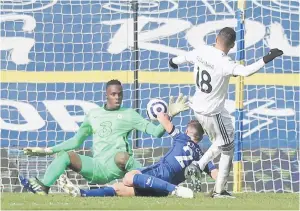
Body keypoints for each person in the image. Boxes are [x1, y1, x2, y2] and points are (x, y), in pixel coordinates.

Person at [169, 27, 283, 198]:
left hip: (200, 106)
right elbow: (246, 71)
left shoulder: (202, 50)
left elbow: (183, 58)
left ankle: (200, 167)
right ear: (232, 45)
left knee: (225, 140)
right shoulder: (225, 62)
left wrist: (173, 62)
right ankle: (217, 188)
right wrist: (267, 57)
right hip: (212, 112)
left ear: (216, 38)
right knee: (227, 148)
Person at [20, 79, 189, 195]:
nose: (117, 97)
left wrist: (170, 115)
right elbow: (76, 141)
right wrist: (47, 150)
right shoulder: (93, 114)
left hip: (118, 165)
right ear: (106, 95)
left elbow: (156, 132)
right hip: (97, 167)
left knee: (122, 156)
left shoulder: (129, 114)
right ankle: (43, 186)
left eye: (120, 94)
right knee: (65, 156)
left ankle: (150, 180)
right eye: (114, 94)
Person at [58, 112, 218, 198]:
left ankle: (175, 190)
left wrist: (167, 111)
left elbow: (163, 119)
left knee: (129, 177)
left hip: (161, 174)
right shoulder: (201, 156)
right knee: (120, 189)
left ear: (188, 131)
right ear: (201, 137)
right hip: (159, 190)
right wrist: (219, 189)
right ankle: (82, 194)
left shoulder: (182, 138)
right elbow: (215, 173)